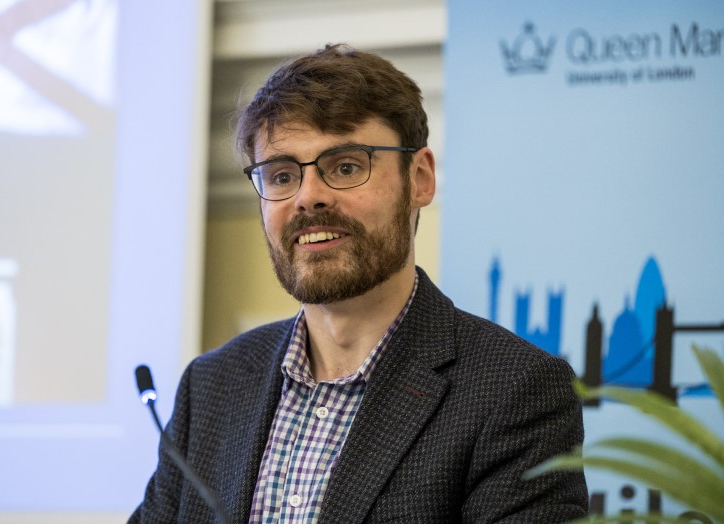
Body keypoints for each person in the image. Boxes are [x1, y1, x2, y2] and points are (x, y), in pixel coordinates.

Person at [130, 43, 587, 523]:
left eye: (346, 167)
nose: (309, 198)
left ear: (421, 178)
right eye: (282, 175)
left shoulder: (514, 390)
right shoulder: (211, 386)